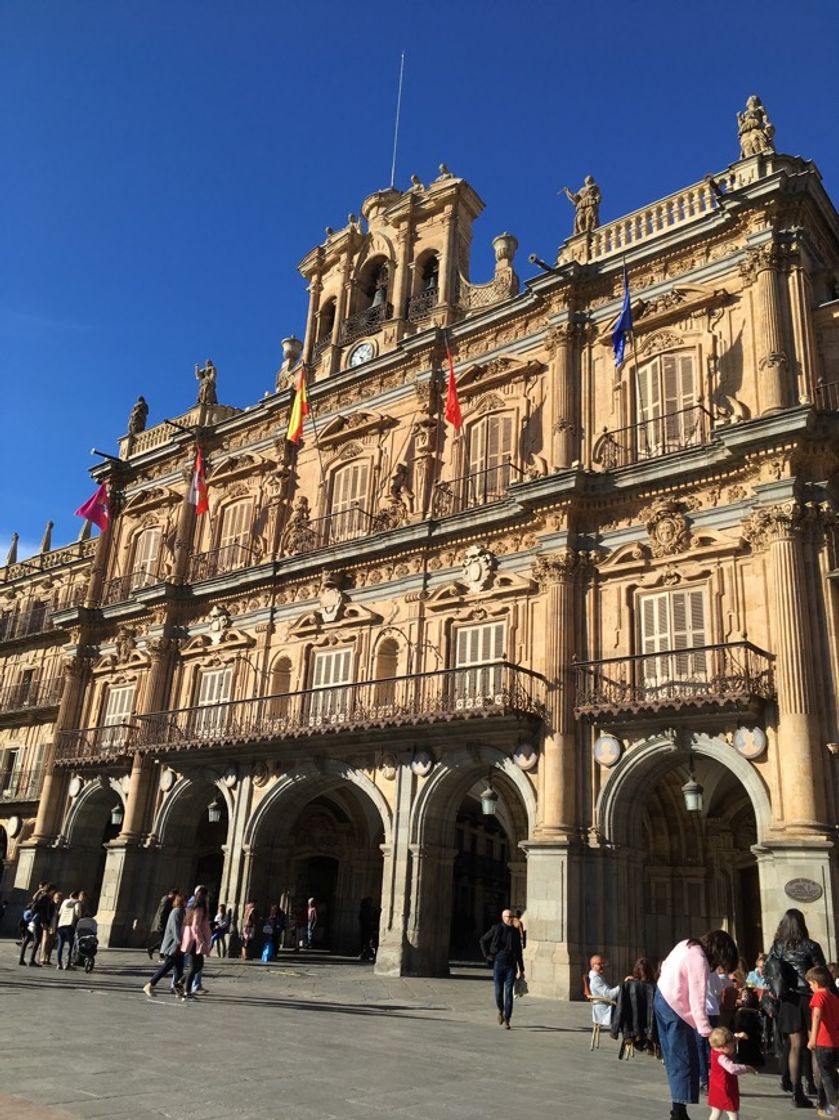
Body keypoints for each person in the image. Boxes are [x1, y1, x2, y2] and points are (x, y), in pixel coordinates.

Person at [654, 929, 739, 1120]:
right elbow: (697, 999)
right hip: (676, 1008)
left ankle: (678, 1110)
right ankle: (678, 1113)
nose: (716, 967)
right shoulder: (699, 959)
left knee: (673, 1057)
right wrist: (708, 1033)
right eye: (719, 963)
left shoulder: (686, 944)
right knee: (685, 1059)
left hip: (661, 998)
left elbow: (665, 966)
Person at [766, 908, 826, 1107]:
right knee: (815, 1045)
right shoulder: (811, 946)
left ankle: (797, 1093)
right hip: (811, 999)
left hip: (789, 1000)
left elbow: (769, 972)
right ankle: (821, 1093)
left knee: (795, 1046)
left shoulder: (778, 946)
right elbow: (822, 974)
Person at [479, 907, 525, 1030]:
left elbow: (519, 951)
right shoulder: (497, 928)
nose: (511, 919)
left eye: (512, 917)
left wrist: (522, 969)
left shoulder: (515, 932)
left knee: (508, 992)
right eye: (508, 917)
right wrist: (487, 956)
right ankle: (500, 1010)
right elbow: (483, 940)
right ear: (503, 918)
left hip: (511, 966)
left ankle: (507, 1019)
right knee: (498, 992)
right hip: (498, 964)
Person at [806, 965, 839, 1118]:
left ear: (816, 983)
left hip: (823, 1042)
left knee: (826, 1075)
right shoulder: (833, 997)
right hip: (835, 1042)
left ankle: (833, 1107)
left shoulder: (819, 996)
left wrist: (812, 1038)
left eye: (810, 984)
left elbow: (817, 1015)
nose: (810, 987)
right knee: (833, 1074)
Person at [707, 1025, 757, 1120]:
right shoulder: (721, 1057)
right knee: (733, 1114)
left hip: (715, 1088)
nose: (733, 1048)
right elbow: (732, 1068)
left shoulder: (715, 1050)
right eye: (732, 1046)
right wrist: (746, 1068)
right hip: (725, 1089)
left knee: (716, 1112)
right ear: (723, 1047)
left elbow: (727, 1040)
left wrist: (738, 1036)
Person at [143, 892, 186, 998]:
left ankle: (178, 991)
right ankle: (150, 985)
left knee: (179, 969)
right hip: (173, 946)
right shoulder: (177, 912)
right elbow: (175, 929)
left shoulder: (181, 911)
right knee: (167, 966)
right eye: (185, 900)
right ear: (181, 901)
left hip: (176, 946)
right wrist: (180, 942)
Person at [179, 891, 213, 1001]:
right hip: (195, 941)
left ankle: (180, 983)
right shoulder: (199, 908)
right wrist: (201, 941)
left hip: (195, 940)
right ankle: (186, 992)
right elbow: (195, 927)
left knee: (198, 965)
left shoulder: (196, 907)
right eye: (207, 896)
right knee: (194, 966)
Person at [18, 884, 54, 967]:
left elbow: (34, 905)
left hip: (30, 920)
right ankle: (31, 961)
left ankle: (21, 959)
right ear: (51, 891)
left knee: (27, 939)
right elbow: (44, 911)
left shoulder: (39, 895)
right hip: (37, 921)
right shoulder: (46, 898)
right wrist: (45, 922)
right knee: (37, 940)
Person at [588, 954, 621, 1027]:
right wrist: (622, 986)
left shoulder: (598, 977)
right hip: (605, 1007)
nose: (602, 966)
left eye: (603, 963)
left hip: (607, 1003)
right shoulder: (596, 979)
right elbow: (609, 995)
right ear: (593, 965)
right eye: (600, 964)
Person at [56, 890, 82, 970]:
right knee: (70, 945)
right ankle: (67, 964)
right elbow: (78, 913)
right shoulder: (77, 902)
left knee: (60, 945)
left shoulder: (64, 902)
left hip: (61, 925)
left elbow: (59, 913)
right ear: (77, 896)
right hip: (69, 925)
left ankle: (59, 964)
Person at [147, 890, 176, 960]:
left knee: (163, 939)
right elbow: (162, 913)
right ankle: (161, 955)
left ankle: (152, 949)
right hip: (162, 923)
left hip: (164, 923)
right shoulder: (166, 900)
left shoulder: (168, 900)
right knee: (163, 940)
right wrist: (161, 924)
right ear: (172, 894)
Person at [40, 890, 62, 965]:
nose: (58, 900)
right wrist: (44, 923)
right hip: (47, 925)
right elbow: (45, 914)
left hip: (55, 925)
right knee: (45, 941)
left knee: (51, 943)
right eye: (57, 898)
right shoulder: (50, 904)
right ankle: (42, 958)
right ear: (53, 898)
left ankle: (48, 958)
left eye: (59, 898)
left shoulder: (59, 907)